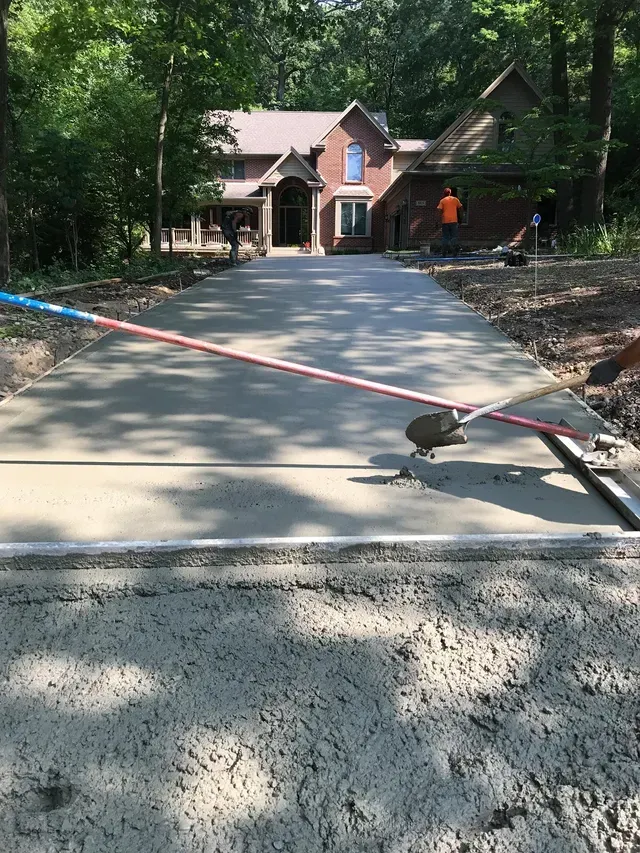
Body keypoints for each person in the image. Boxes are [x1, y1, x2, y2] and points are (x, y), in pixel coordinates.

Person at [436, 188, 463, 257]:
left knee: (445, 237)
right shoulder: (455, 200)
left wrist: (438, 221)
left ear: (444, 193)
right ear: (450, 193)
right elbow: (460, 208)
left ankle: (444, 252)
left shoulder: (442, 201)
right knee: (454, 237)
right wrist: (461, 218)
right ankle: (454, 252)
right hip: (454, 221)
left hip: (445, 221)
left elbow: (439, 210)